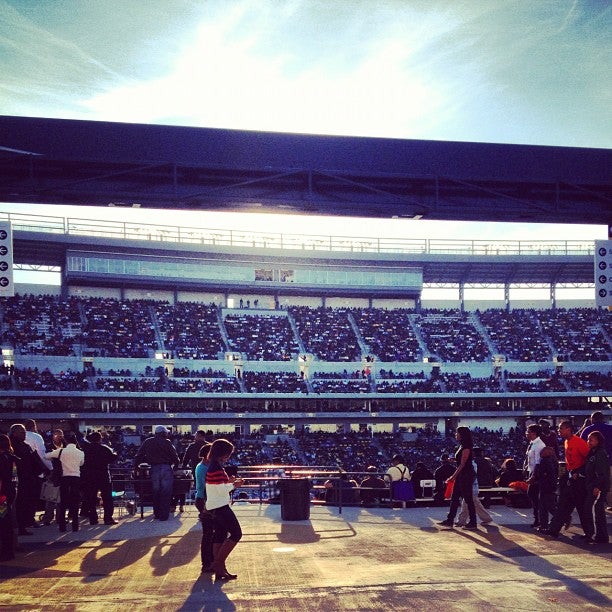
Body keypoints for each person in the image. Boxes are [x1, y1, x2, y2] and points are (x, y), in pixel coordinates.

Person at [542, 420, 589, 539]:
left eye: (561, 428)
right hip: (569, 478)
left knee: (581, 507)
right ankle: (553, 530)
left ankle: (589, 534)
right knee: (562, 505)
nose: (558, 430)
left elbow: (588, 460)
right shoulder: (566, 441)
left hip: (578, 480)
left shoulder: (579, 442)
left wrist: (579, 473)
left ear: (568, 429)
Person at [206, 439, 244, 580]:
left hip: (213, 506)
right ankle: (218, 563)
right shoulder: (216, 468)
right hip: (220, 506)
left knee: (220, 535)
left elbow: (216, 487)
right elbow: (221, 490)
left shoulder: (213, 466)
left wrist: (229, 482)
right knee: (236, 533)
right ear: (222, 453)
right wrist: (235, 485)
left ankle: (220, 570)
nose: (228, 456)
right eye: (228, 453)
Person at [133, 425, 180, 521]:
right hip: (166, 468)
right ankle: (164, 516)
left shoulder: (148, 441)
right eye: (166, 432)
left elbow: (139, 455)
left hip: (154, 468)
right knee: (166, 493)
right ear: (162, 433)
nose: (167, 434)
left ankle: (157, 514)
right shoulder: (167, 442)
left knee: (156, 492)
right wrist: (176, 465)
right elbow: (174, 456)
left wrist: (136, 466)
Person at [9, 423, 48, 535]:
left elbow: (35, 460)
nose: (24, 434)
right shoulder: (12, 446)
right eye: (22, 432)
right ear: (14, 433)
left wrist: (43, 470)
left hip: (28, 479)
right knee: (18, 504)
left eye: (25, 431)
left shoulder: (25, 445)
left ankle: (23, 524)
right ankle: (19, 526)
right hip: (18, 480)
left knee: (25, 503)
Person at [437, 426, 477, 530]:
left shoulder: (466, 447)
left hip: (466, 475)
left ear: (462, 435)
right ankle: (450, 520)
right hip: (463, 474)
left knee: (468, 499)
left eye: (457, 433)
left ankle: (473, 522)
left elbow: (463, 464)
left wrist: (453, 476)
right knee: (454, 498)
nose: (455, 435)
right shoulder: (462, 446)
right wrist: (454, 460)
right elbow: (462, 461)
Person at [46, 431, 84, 533]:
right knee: (75, 502)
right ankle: (75, 526)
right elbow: (81, 463)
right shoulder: (81, 452)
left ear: (66, 441)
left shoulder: (61, 451)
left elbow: (46, 456)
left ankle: (62, 526)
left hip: (64, 478)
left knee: (63, 502)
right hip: (76, 478)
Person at [81, 431, 118, 525]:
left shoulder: (85, 450)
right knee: (107, 498)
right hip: (103, 475)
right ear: (100, 439)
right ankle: (108, 518)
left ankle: (93, 519)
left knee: (91, 498)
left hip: (89, 476)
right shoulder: (104, 448)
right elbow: (113, 458)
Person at [579, 411, 612, 509]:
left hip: (594, 463)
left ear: (592, 419)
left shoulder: (588, 429)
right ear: (603, 419)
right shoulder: (610, 428)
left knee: (596, 484)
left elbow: (582, 444)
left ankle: (598, 504)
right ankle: (610, 504)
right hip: (610, 461)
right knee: (609, 484)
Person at [582, 431, 609, 544]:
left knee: (591, 510)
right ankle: (601, 536)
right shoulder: (592, 453)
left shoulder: (600, 453)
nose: (588, 442)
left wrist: (597, 486)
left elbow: (602, 473)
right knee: (597, 511)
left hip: (597, 487)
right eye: (588, 439)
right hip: (592, 485)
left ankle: (592, 535)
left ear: (598, 441)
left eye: (591, 440)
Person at [194, 442, 214, 573]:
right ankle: (207, 563)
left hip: (204, 499)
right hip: (205, 500)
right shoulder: (203, 468)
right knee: (208, 534)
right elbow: (206, 487)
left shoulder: (202, 466)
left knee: (210, 533)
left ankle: (210, 561)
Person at [40, 429, 65, 526]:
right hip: (52, 474)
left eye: (60, 435)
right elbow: (45, 458)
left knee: (62, 498)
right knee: (50, 498)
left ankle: (60, 518)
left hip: (64, 474)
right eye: (56, 435)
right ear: (53, 436)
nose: (59, 437)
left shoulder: (67, 446)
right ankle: (47, 518)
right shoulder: (49, 446)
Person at [524, 424, 546, 528]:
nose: (526, 433)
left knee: (535, 497)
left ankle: (540, 519)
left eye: (528, 431)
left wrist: (533, 476)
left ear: (533, 433)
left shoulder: (539, 445)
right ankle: (537, 519)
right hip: (531, 472)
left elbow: (538, 462)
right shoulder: (532, 443)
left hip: (536, 474)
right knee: (532, 496)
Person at [0, 434, 18, 561]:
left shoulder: (1, 458)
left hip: (1, 495)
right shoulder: (12, 458)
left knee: (3, 523)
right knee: (7, 522)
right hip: (10, 493)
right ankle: (9, 551)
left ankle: (5, 551)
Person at [533, 446, 558, 533]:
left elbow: (544, 474)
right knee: (546, 507)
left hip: (545, 487)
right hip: (549, 487)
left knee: (546, 507)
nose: (541, 453)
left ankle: (563, 518)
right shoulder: (553, 461)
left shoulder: (545, 461)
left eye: (542, 451)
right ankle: (544, 526)